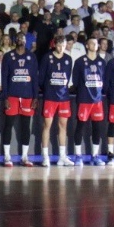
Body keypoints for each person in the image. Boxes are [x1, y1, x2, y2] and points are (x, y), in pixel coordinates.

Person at [0, 33, 39, 166]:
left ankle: (24, 156)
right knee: (8, 125)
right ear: (14, 40)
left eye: (22, 38)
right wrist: (5, 97)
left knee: (25, 127)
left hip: (27, 96)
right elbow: (4, 77)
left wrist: (35, 96)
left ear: (25, 41)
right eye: (18, 38)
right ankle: (6, 156)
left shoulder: (32, 56)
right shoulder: (8, 56)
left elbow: (34, 77)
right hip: (12, 96)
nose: (20, 40)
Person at [39, 37, 75, 166]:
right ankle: (45, 156)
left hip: (64, 97)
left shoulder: (68, 59)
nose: (61, 48)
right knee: (47, 125)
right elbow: (41, 78)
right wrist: (48, 88)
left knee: (63, 126)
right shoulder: (46, 57)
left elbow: (68, 76)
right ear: (55, 45)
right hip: (50, 96)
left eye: (63, 46)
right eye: (59, 46)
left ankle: (62, 156)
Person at [72, 39, 108, 165]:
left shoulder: (101, 62)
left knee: (97, 128)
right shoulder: (80, 62)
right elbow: (75, 81)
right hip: (84, 99)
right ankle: (78, 155)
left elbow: (104, 80)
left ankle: (95, 155)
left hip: (97, 100)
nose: (95, 45)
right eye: (92, 43)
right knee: (80, 126)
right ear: (87, 45)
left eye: (96, 43)